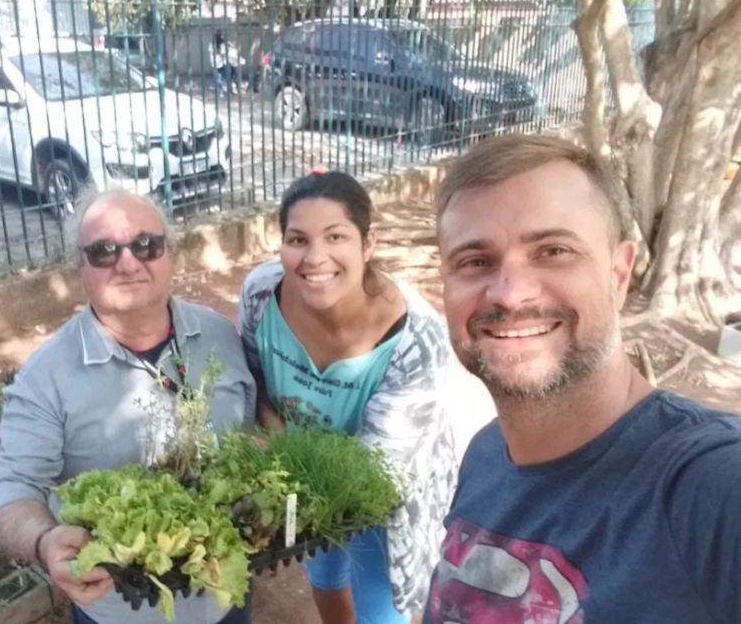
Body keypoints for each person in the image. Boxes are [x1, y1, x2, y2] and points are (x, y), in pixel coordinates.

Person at [425, 133, 741, 623]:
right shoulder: (487, 454)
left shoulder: (707, 486)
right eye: (475, 262)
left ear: (619, 274)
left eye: (553, 251)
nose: (510, 294)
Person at [0, 190, 258, 624]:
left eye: (146, 245)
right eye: (104, 251)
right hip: (119, 615)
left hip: (224, 601)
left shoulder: (221, 335)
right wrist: (43, 540)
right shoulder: (46, 376)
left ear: (170, 254)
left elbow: (254, 432)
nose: (128, 263)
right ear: (80, 268)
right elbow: (9, 489)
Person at [238, 170, 461, 623]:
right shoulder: (262, 296)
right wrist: (275, 444)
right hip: (303, 469)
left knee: (379, 606)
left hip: (385, 486)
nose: (314, 257)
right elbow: (254, 374)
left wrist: (279, 489)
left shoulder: (414, 341)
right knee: (324, 568)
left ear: (368, 243)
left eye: (335, 236)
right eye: (297, 239)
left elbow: (372, 477)